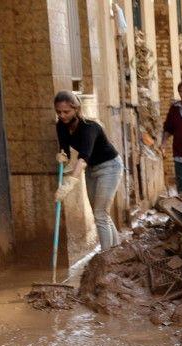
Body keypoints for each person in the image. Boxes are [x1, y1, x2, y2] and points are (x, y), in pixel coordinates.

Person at [53, 91, 124, 251]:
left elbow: (83, 158)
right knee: (100, 213)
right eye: (58, 111)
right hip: (91, 169)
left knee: (100, 214)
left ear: (76, 109)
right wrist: (62, 155)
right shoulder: (61, 126)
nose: (62, 115)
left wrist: (70, 183)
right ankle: (116, 250)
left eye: (66, 112)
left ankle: (106, 256)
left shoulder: (89, 128)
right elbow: (65, 150)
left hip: (110, 167)